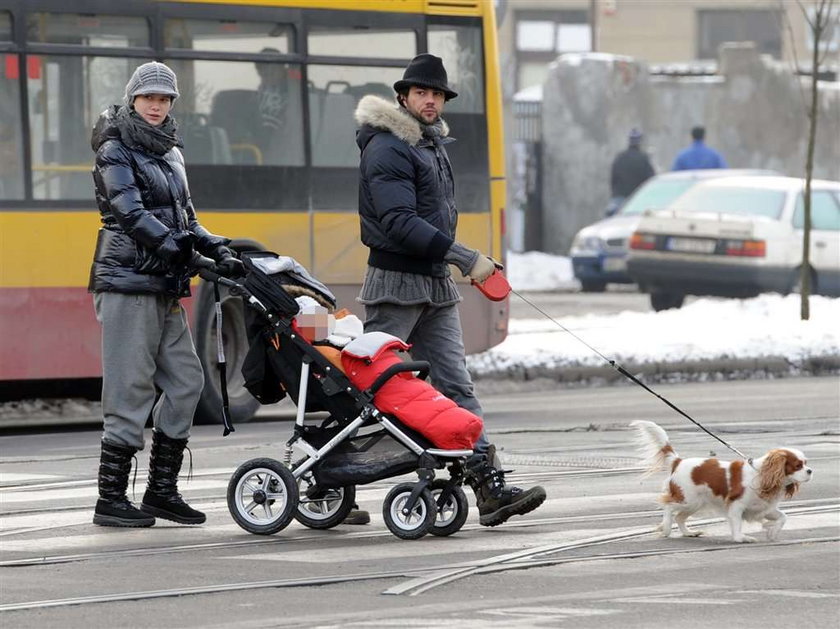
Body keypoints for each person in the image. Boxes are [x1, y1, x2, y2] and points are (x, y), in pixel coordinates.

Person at [353, 53, 546, 527]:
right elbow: (399, 223)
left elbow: (431, 220)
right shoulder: (388, 147)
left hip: (435, 288)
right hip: (396, 287)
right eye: (422, 92)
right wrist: (467, 258)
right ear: (403, 96)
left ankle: (488, 486)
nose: (430, 101)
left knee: (456, 387)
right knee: (374, 393)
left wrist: (459, 260)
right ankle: (332, 480)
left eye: (437, 94)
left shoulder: (428, 144)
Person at [89, 61, 244, 528]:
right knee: (130, 388)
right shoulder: (114, 149)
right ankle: (110, 498)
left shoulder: (171, 153)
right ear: (133, 99)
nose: (156, 105)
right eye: (148, 97)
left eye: (165, 99)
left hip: (165, 283)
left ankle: (160, 491)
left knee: (186, 383)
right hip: (127, 283)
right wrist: (183, 252)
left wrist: (216, 246)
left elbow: (186, 219)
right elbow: (131, 214)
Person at [607, 128, 654, 216]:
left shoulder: (620, 158)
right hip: (637, 201)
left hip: (619, 199)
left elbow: (613, 179)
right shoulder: (643, 159)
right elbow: (650, 180)